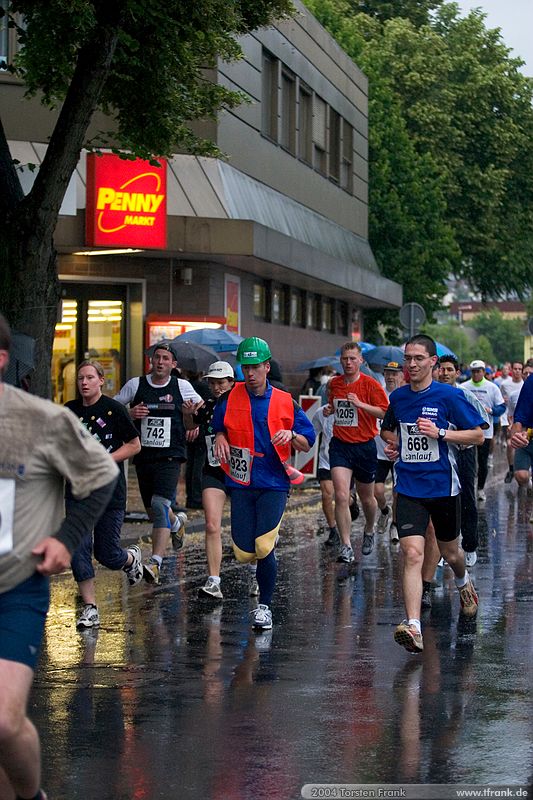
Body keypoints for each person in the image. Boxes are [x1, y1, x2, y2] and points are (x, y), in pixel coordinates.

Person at [0, 312, 118, 800]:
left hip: (14, 588)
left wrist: (67, 539)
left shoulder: (41, 420)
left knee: (4, 724)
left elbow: (103, 475)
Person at [381, 335, 485, 654]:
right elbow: (388, 428)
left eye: (418, 359)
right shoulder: (398, 398)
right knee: (411, 552)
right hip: (409, 487)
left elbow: (478, 435)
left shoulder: (449, 396)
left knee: (450, 552)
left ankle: (463, 581)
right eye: (408, 358)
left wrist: (441, 433)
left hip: (443, 487)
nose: (411, 364)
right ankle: (413, 625)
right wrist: (396, 443)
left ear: (432, 363)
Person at [213, 337, 315, 631]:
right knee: (245, 552)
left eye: (256, 367)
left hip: (274, 482)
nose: (251, 373)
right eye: (246, 367)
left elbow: (307, 442)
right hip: (241, 481)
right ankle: (262, 553)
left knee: (264, 545)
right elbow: (216, 425)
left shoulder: (285, 400)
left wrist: (290, 435)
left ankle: (264, 607)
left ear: (267, 367)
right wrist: (220, 436)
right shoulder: (229, 397)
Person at [114, 343, 202, 584]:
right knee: (153, 511)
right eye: (157, 358)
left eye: (166, 358)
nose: (160, 362)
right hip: (143, 454)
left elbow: (201, 411)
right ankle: (177, 523)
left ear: (174, 365)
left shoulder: (182, 386)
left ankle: (155, 562)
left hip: (172, 455)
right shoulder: (136, 384)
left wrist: (191, 420)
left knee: (160, 504)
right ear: (151, 361)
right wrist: (129, 414)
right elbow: (111, 408)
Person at [65, 360, 144, 628]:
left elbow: (134, 446)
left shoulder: (114, 410)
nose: (84, 383)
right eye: (80, 378)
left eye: (89, 377)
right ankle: (90, 607)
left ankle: (130, 558)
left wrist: (109, 458)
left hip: (109, 492)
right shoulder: (69, 411)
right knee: (78, 548)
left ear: (101, 380)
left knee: (107, 554)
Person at [323, 342, 389, 562]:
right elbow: (333, 405)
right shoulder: (334, 384)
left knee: (367, 498)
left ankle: (369, 529)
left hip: (365, 446)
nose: (348, 362)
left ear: (361, 361)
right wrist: (330, 409)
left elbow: (383, 414)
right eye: (344, 359)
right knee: (341, 495)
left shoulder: (371, 385)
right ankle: (346, 545)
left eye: (352, 358)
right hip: (340, 445)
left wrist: (361, 405)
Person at [182, 361, 235, 600]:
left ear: (232, 382)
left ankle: (257, 570)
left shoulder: (244, 405)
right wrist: (187, 414)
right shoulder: (209, 406)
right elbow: (192, 426)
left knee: (246, 529)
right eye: (212, 383)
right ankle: (214, 580)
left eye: (221, 382)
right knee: (212, 525)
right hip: (213, 470)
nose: (216, 387)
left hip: (241, 472)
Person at [436, 355, 490, 571]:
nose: (445, 373)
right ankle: (441, 551)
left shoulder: (465, 394)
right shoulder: (433, 395)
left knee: (467, 497)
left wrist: (459, 431)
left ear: (457, 373)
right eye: (442, 369)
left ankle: (469, 546)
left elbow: (483, 423)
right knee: (441, 502)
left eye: (450, 369)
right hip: (440, 454)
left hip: (464, 452)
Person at [461, 359, 505, 502]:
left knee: (482, 461)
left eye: (478, 371)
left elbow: (501, 407)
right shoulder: (463, 386)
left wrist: (491, 410)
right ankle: (467, 488)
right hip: (467, 431)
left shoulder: (492, 387)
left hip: (485, 432)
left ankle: (480, 488)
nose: (476, 374)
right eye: (473, 371)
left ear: (484, 372)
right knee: (468, 462)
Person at [374, 361, 404, 539]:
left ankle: (395, 524)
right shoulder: (379, 393)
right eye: (388, 373)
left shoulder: (403, 396)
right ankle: (385, 510)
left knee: (397, 490)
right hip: (379, 450)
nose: (391, 377)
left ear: (401, 376)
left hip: (399, 451)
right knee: (377, 491)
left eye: (394, 373)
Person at [499, 361, 524, 484]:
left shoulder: (525, 385)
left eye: (520, 369)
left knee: (521, 444)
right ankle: (511, 468)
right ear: (511, 370)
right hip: (509, 417)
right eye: (515, 368)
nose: (517, 371)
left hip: (523, 421)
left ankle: (522, 469)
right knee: (510, 444)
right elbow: (501, 398)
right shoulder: (505, 384)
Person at [509, 371, 533, 489]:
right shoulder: (531, 381)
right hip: (530, 436)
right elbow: (520, 416)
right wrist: (516, 437)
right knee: (521, 476)